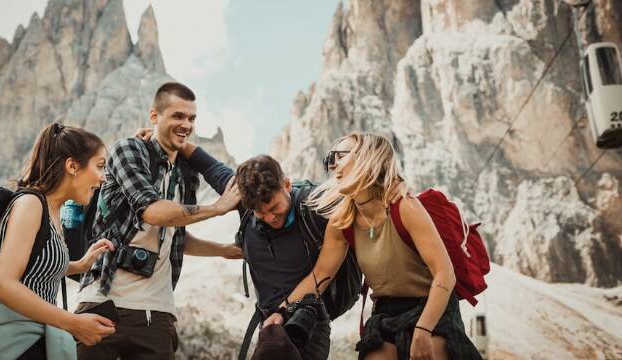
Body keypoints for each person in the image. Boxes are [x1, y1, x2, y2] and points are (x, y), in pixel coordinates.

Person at [173, 142, 407, 359]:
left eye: (275, 208)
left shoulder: (317, 203)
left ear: (287, 185)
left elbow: (365, 191)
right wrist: (169, 140)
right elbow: (209, 165)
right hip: (269, 322)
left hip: (309, 320)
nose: (270, 218)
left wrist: (395, 183)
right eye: (260, 213)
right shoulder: (244, 199)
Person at [75, 82, 242, 360]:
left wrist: (222, 251)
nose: (186, 124)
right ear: (154, 116)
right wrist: (216, 209)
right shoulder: (128, 150)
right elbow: (152, 211)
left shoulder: (186, 174)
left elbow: (174, 233)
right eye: (177, 116)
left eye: (191, 118)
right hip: (103, 304)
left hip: (158, 314)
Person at [282, 133, 482, 359]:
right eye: (330, 158)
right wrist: (279, 312)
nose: (332, 164)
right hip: (385, 313)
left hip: (432, 308)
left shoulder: (404, 207)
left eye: (340, 156)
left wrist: (423, 329)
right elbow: (319, 276)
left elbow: (445, 275)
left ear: (368, 157)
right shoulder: (342, 222)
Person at [0, 123, 117, 359]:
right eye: (100, 166)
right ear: (72, 166)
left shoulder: (52, 212)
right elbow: (3, 285)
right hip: (13, 344)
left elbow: (32, 266)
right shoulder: (30, 204)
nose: (103, 178)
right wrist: (74, 323)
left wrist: (79, 265)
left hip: (35, 339)